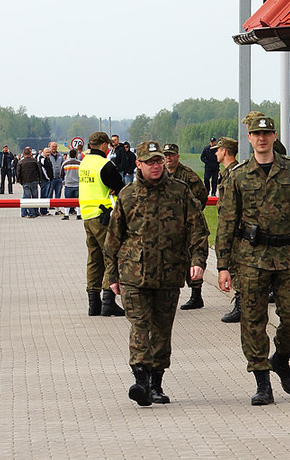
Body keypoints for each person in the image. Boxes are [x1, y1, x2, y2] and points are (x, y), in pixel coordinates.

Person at [216, 115, 290, 406]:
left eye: (267, 134)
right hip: (251, 258)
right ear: (249, 139)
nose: (261, 138)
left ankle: (282, 358)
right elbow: (226, 222)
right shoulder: (238, 175)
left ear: (275, 136)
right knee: (252, 321)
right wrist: (223, 266)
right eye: (256, 134)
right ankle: (262, 381)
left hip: (288, 256)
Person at [105, 140, 209, 407]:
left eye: (159, 161)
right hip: (133, 275)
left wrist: (198, 261)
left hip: (169, 274)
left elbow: (198, 230)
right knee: (140, 326)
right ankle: (140, 380)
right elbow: (113, 239)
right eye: (150, 162)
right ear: (138, 164)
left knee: (162, 331)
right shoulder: (127, 195)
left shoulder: (180, 192)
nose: (156, 166)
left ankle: (156, 383)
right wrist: (112, 277)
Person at [78, 132, 125, 317]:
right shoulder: (104, 164)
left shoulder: (84, 164)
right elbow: (120, 185)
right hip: (102, 216)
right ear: (105, 145)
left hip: (87, 215)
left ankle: (93, 304)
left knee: (94, 259)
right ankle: (108, 302)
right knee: (110, 256)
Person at [162, 143, 209, 310]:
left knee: (191, 258)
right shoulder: (160, 174)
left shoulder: (188, 175)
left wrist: (190, 216)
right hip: (167, 227)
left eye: (171, 155)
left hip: (187, 225)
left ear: (177, 157)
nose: (168, 158)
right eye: (166, 155)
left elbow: (201, 196)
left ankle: (196, 295)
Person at [214, 137, 242, 324]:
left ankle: (241, 305)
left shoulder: (236, 173)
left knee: (238, 267)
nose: (216, 153)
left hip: (237, 228)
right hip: (229, 225)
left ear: (224, 151)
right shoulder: (226, 173)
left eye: (218, 150)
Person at [16, 147, 41, 218]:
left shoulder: (20, 162)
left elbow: (18, 173)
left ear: (23, 154)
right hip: (34, 181)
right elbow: (39, 171)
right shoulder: (34, 161)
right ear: (30, 154)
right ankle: (36, 212)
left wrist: (20, 181)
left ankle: (31, 213)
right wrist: (40, 180)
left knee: (28, 198)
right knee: (35, 197)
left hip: (25, 181)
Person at [60, 149, 81, 220]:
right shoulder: (80, 163)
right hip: (78, 184)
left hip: (68, 184)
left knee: (67, 200)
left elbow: (61, 174)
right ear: (76, 155)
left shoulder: (65, 163)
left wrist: (64, 181)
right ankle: (79, 215)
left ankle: (66, 215)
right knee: (78, 200)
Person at [47, 141, 64, 215]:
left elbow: (62, 165)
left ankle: (57, 209)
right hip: (51, 178)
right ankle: (47, 209)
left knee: (58, 194)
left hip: (58, 178)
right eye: (53, 146)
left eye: (55, 146)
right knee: (49, 194)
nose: (54, 148)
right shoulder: (48, 156)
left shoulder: (60, 155)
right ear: (50, 147)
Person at [37, 147, 53, 216]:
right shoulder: (42, 159)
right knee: (44, 195)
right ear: (43, 153)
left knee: (46, 195)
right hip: (45, 180)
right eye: (46, 152)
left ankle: (45, 210)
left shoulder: (48, 159)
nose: (48, 154)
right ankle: (43, 211)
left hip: (48, 179)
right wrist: (47, 178)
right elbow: (43, 170)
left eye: (49, 152)